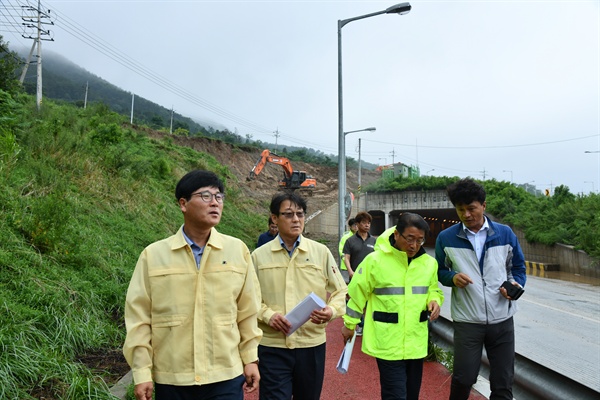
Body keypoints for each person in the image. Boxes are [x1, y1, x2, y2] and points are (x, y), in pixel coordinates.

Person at [123, 170, 262, 400]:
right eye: (206, 196)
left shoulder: (237, 251)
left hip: (225, 375)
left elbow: (248, 311)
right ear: (183, 204)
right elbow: (139, 317)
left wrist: (250, 358)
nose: (215, 203)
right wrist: (141, 371)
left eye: (219, 197)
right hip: (173, 377)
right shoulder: (154, 255)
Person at [435, 178, 526, 400]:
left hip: (502, 320)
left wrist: (515, 285)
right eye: (460, 210)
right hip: (468, 322)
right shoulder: (446, 238)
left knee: (503, 383)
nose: (466, 215)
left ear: (484, 205)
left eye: (471, 208)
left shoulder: (505, 234)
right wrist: (452, 277)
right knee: (463, 379)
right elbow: (438, 271)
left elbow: (517, 268)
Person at [251, 192, 348, 400]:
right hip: (272, 346)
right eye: (288, 214)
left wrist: (331, 311)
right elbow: (248, 298)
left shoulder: (320, 252)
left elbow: (341, 291)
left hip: (311, 345)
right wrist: (268, 315)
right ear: (274, 219)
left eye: (300, 214)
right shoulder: (259, 256)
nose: (296, 219)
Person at [341, 212, 444, 400]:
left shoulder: (429, 264)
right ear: (396, 234)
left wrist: (435, 300)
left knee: (411, 395)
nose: (414, 246)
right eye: (409, 239)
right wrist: (349, 325)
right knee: (395, 395)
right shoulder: (375, 261)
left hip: (416, 341)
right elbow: (356, 294)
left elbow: (434, 288)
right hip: (387, 341)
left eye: (420, 241)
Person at [342, 211, 376, 335]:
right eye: (364, 222)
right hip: (356, 276)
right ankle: (359, 324)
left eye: (368, 223)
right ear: (357, 224)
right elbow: (346, 258)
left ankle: (368, 325)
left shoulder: (374, 241)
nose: (367, 225)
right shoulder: (350, 241)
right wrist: (350, 272)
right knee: (356, 300)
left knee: (370, 302)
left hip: (371, 279)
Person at [338, 217, 357, 283]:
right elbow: (341, 250)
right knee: (346, 284)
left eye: (357, 225)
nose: (356, 227)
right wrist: (346, 260)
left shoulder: (360, 237)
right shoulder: (345, 237)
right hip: (345, 267)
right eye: (354, 225)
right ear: (350, 227)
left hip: (357, 266)